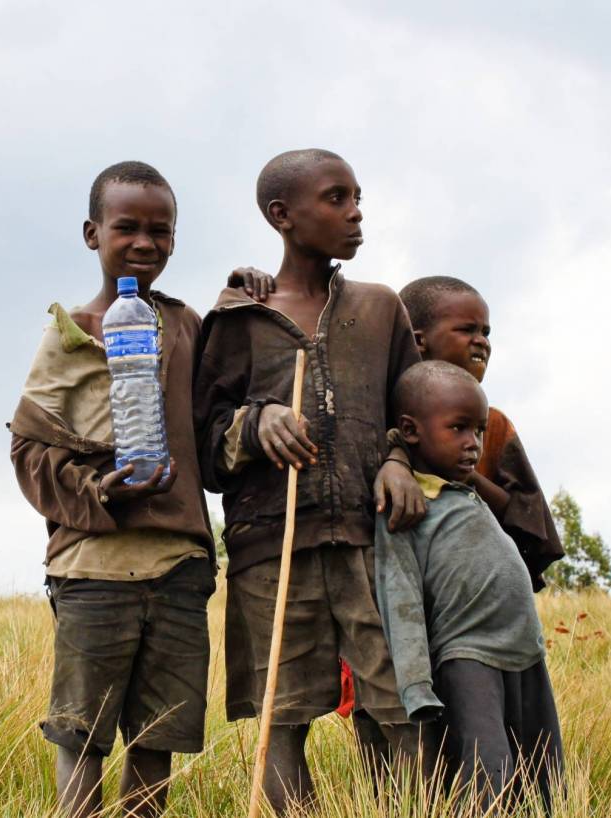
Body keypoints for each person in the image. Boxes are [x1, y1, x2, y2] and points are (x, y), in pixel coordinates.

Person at [194, 148, 426, 813]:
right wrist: (253, 423)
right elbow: (205, 448)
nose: (356, 214)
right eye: (336, 198)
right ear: (282, 216)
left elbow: (411, 416)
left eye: (358, 197)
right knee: (282, 718)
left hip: (371, 545)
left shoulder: (381, 311)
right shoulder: (237, 322)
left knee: (401, 708)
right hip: (272, 550)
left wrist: (396, 460)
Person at [9, 160, 227, 818]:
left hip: (178, 564)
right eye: (126, 227)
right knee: (82, 731)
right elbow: (28, 450)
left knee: (158, 735)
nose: (143, 242)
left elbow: (214, 424)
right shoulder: (69, 335)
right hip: (92, 567)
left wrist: (246, 296)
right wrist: (100, 490)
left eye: (161, 231)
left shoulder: (187, 326)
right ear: (91, 233)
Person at [376, 360, 564, 810]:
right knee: (486, 777)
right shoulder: (407, 500)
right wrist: (417, 686)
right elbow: (397, 593)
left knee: (545, 777)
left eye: (478, 431)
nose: (473, 445)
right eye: (458, 429)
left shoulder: (467, 493)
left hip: (526, 654)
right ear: (411, 429)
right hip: (466, 656)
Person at [397, 276, 564, 590]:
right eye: (467, 330)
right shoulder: (382, 416)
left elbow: (531, 531)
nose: (482, 341)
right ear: (419, 340)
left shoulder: (495, 426)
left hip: (474, 593)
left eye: (486, 332)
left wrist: (466, 477)